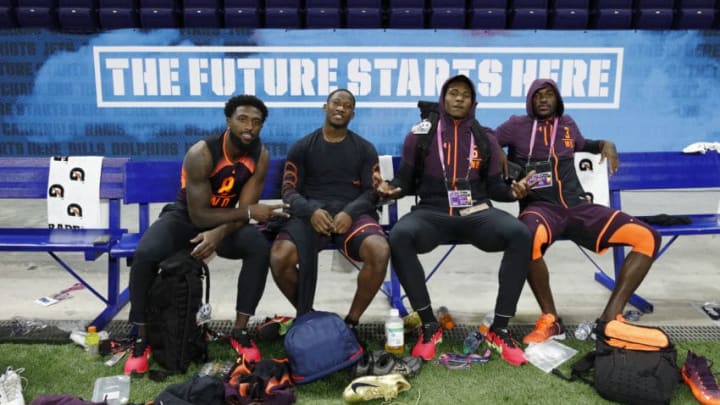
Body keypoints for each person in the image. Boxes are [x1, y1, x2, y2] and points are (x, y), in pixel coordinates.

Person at [375, 75, 535, 366]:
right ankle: (429, 325)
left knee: (520, 234)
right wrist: (391, 189)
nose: (459, 98)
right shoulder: (420, 134)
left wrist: (513, 192)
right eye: (453, 93)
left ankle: (500, 329)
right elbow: (406, 181)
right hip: (432, 212)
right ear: (443, 97)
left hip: (476, 212)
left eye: (465, 95)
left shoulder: (486, 137)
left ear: (474, 102)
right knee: (400, 235)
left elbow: (495, 187)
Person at [123, 95, 288, 375]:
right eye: (242, 119)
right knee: (145, 254)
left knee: (258, 248)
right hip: (185, 217)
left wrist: (218, 234)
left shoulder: (260, 155)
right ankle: (141, 338)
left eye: (256, 122)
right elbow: (200, 215)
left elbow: (245, 210)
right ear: (228, 121)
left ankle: (239, 330)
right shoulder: (202, 153)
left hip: (225, 223)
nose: (249, 126)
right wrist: (247, 215)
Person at [494, 78, 661, 344]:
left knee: (648, 237)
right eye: (538, 96)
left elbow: (582, 144)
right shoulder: (517, 125)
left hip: (578, 207)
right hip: (540, 209)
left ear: (557, 99)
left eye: (549, 95)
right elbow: (485, 138)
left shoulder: (568, 124)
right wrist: (498, 154)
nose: (544, 100)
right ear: (529, 101)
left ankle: (609, 320)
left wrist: (604, 143)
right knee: (524, 238)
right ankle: (550, 320)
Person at [269, 89, 390, 336]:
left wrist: (349, 212)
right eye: (336, 103)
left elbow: (372, 193)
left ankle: (351, 323)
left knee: (379, 250)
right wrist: (312, 211)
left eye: (347, 106)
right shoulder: (302, 147)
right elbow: (289, 191)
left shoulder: (365, 149)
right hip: (311, 217)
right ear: (325, 107)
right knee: (280, 257)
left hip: (352, 215)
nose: (340, 109)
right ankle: (311, 317)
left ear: (352, 113)